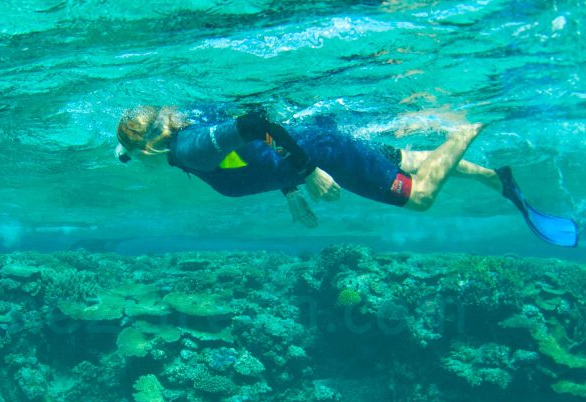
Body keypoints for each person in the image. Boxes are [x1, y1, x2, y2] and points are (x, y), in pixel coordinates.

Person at [114, 106, 578, 247]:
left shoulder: (192, 148)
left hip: (324, 152)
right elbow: (252, 154)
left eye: (131, 155)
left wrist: (310, 171)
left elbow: (258, 124)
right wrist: (291, 188)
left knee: (419, 197)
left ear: (148, 145)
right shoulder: (184, 142)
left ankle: (466, 129)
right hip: (315, 146)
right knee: (408, 160)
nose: (132, 161)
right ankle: (495, 179)